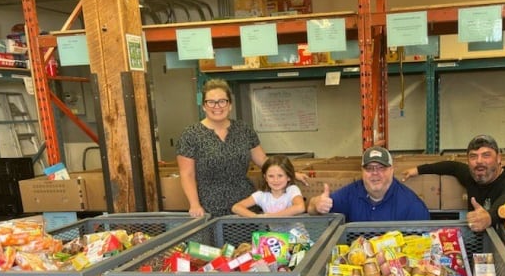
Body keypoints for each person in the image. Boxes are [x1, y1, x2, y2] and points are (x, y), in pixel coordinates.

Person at [176, 78, 308, 218]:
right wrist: (194, 204)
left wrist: (291, 174)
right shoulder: (190, 135)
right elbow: (187, 175)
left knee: (248, 240)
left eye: (222, 101)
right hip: (210, 205)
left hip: (245, 204)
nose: (217, 106)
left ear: (230, 105)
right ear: (203, 106)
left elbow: (262, 159)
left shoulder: (243, 130)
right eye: (211, 102)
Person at [401, 135, 505, 232]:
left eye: (486, 155)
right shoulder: (472, 176)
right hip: (480, 247)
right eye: (473, 156)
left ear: (498, 159)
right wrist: (418, 170)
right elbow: (451, 167)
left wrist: (489, 217)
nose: (479, 161)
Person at [308, 146, 430, 222]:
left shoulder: (412, 205)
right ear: (362, 171)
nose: (375, 173)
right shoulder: (350, 193)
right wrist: (316, 204)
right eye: (369, 168)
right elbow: (311, 208)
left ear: (392, 170)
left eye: (381, 168)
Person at [231, 155, 305, 217]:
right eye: (271, 176)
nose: (276, 180)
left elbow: (300, 207)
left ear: (288, 177)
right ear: (265, 177)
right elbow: (236, 207)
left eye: (280, 176)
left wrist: (271, 216)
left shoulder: (292, 190)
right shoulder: (261, 195)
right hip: (274, 234)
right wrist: (255, 217)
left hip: (296, 234)